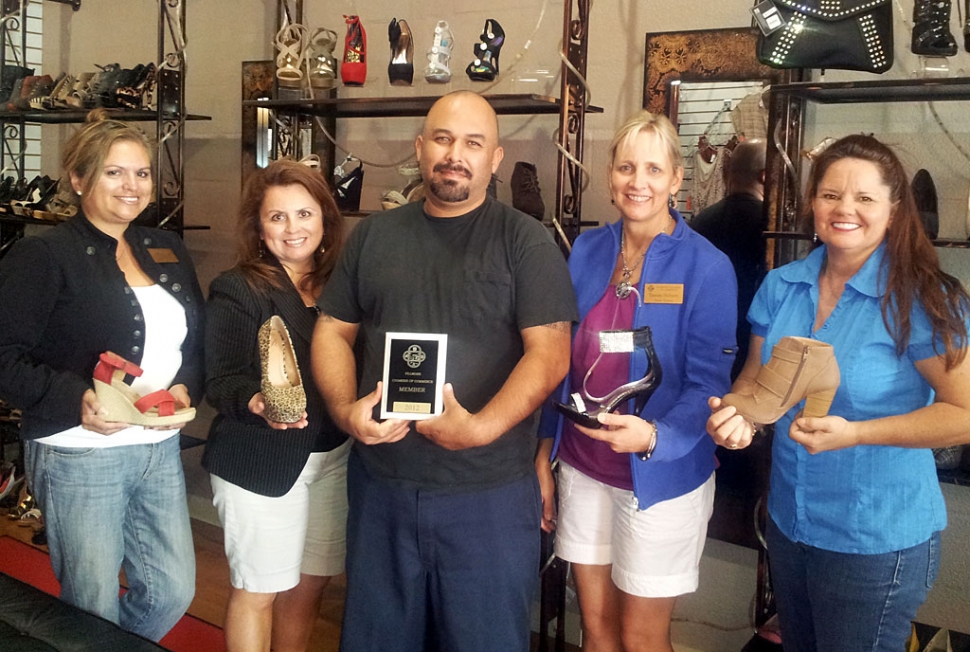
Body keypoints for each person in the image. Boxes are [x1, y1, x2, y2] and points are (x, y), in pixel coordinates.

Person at [312, 90, 577, 652]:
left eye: (473, 143)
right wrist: (343, 411)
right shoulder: (375, 237)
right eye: (443, 138)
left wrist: (480, 428)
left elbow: (551, 354)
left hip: (488, 495)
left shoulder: (525, 242)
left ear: (495, 159)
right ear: (420, 147)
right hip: (382, 485)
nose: (455, 153)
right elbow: (333, 331)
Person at [707, 134, 970, 652]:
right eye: (830, 195)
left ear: (894, 211)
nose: (844, 208)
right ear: (812, 203)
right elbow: (755, 384)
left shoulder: (921, 299)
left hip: (874, 538)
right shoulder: (783, 285)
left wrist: (856, 434)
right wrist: (737, 418)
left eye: (865, 198)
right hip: (791, 522)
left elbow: (964, 413)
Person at [537, 109, 737, 652]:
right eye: (627, 167)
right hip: (583, 467)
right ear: (610, 175)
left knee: (641, 637)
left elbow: (708, 384)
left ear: (676, 179)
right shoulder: (587, 250)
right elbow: (558, 358)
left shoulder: (707, 267)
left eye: (653, 169)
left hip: (660, 479)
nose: (638, 182)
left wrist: (654, 437)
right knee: (596, 628)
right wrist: (543, 453)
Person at [0, 109, 202, 641]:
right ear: (78, 178)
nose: (131, 186)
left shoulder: (166, 247)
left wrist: (187, 386)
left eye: (140, 173)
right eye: (114, 172)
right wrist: (76, 398)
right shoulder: (42, 254)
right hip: (78, 453)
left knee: (171, 590)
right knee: (89, 607)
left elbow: (194, 343)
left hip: (157, 448)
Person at [202, 159, 348, 652]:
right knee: (259, 591)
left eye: (304, 214)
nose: (292, 229)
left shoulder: (343, 286)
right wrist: (257, 402)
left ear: (325, 219)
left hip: (335, 457)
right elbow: (219, 379)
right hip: (262, 459)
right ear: (258, 228)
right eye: (277, 217)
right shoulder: (237, 287)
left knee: (310, 585)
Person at [691, 138, 767, 380]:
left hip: (700, 341)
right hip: (753, 342)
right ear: (766, 177)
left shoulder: (699, 222)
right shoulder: (772, 228)